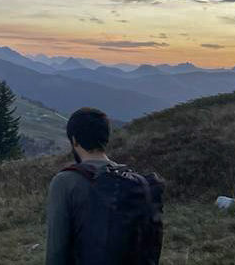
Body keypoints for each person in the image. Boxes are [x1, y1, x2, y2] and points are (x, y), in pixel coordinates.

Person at [46, 108, 164, 265]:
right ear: (106, 138)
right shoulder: (133, 181)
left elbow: (57, 250)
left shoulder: (65, 182)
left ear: (74, 140)